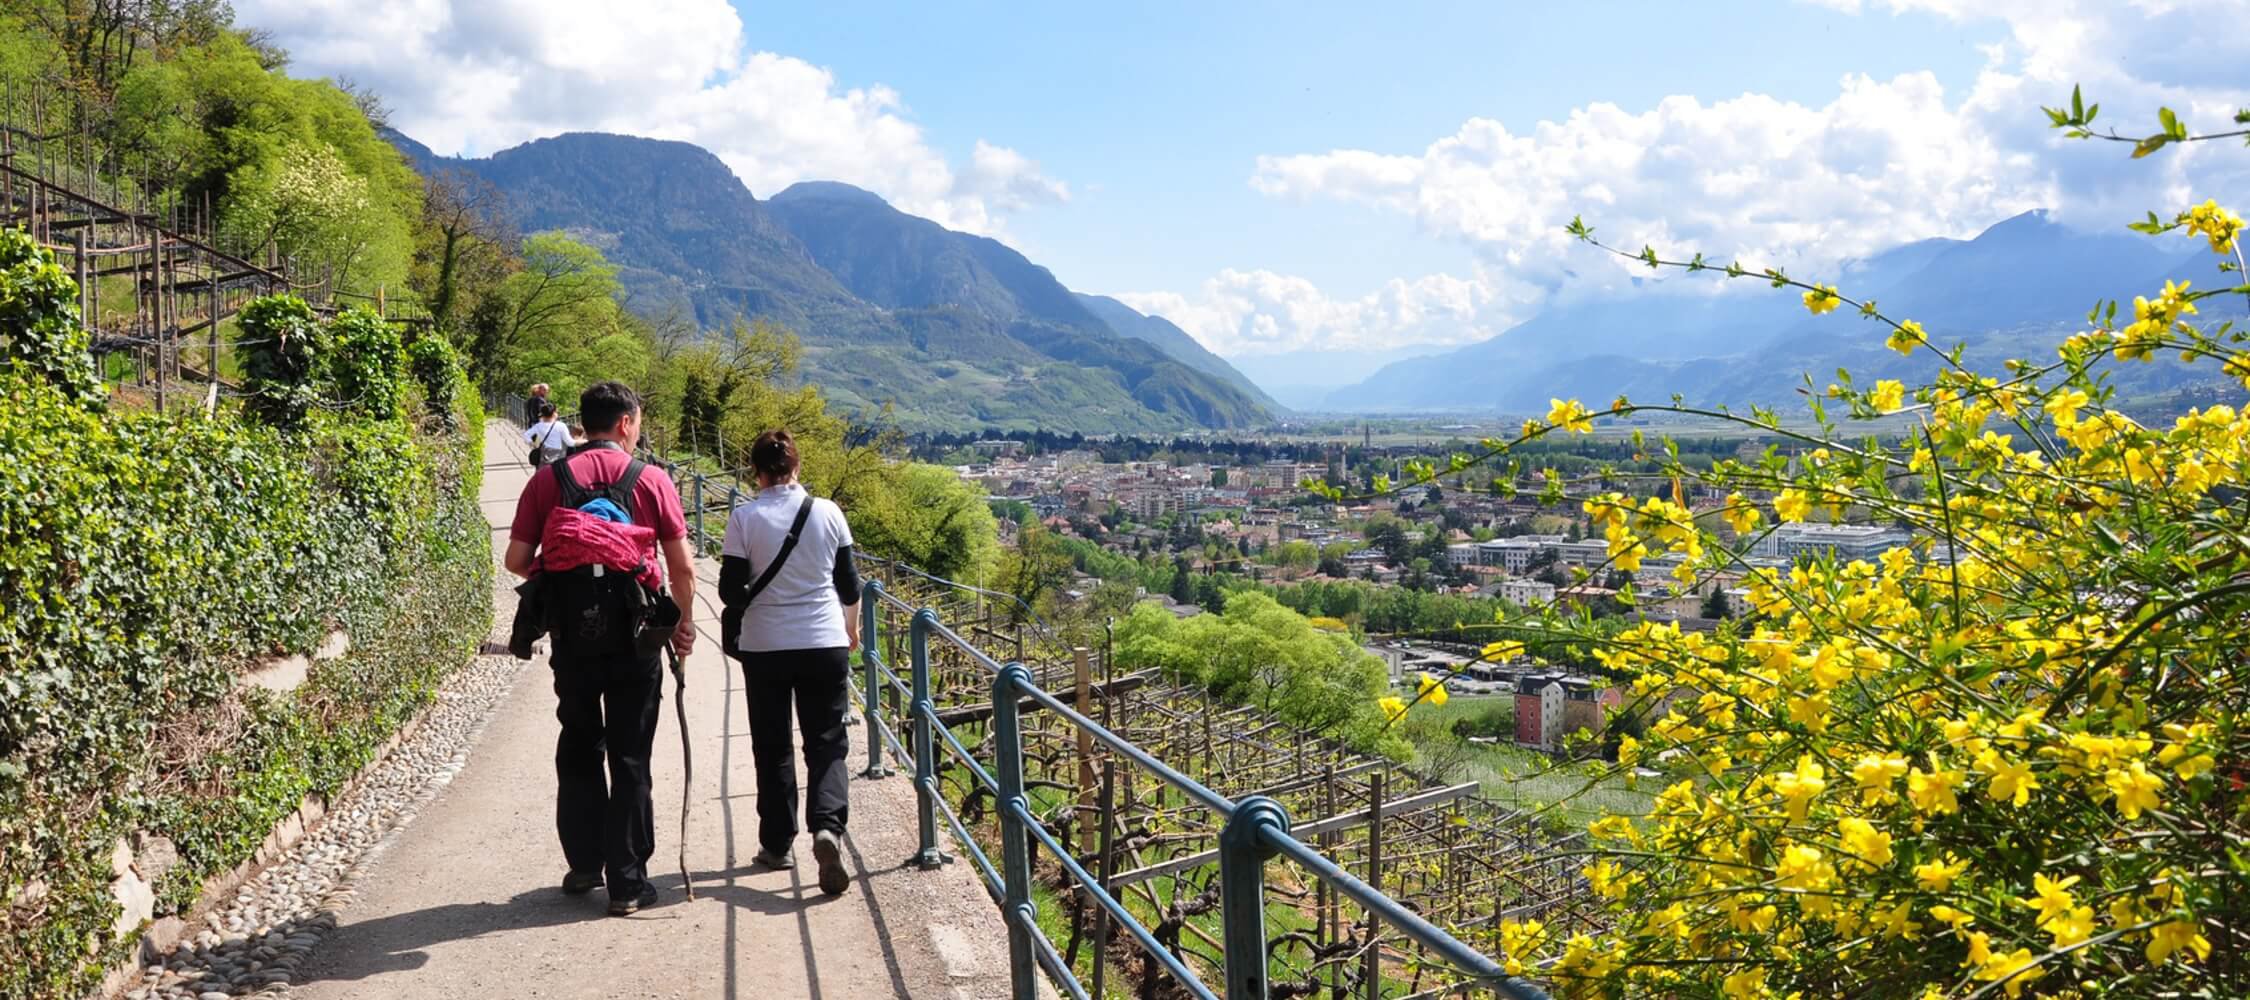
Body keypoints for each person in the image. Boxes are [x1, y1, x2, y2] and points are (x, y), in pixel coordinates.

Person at [504, 382, 697, 916]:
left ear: (584, 425)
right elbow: (681, 567)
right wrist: (683, 625)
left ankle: (585, 862)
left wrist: (569, 558)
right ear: (628, 423)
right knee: (631, 753)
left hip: (573, 635)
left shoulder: (548, 480)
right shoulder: (652, 480)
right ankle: (629, 882)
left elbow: (517, 561)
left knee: (580, 741)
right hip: (637, 638)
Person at [721, 429, 859, 896]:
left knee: (772, 744)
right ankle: (827, 827)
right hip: (824, 640)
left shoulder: (743, 518)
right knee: (826, 742)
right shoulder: (828, 512)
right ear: (796, 468)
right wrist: (851, 629)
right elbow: (849, 586)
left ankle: (777, 844)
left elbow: (728, 591)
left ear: (755, 472)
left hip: (764, 646)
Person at [522, 401, 575, 466]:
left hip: (543, 457)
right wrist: (584, 441)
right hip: (557, 457)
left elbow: (526, 435)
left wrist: (533, 444)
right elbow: (570, 442)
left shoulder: (538, 426)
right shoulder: (561, 426)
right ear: (553, 413)